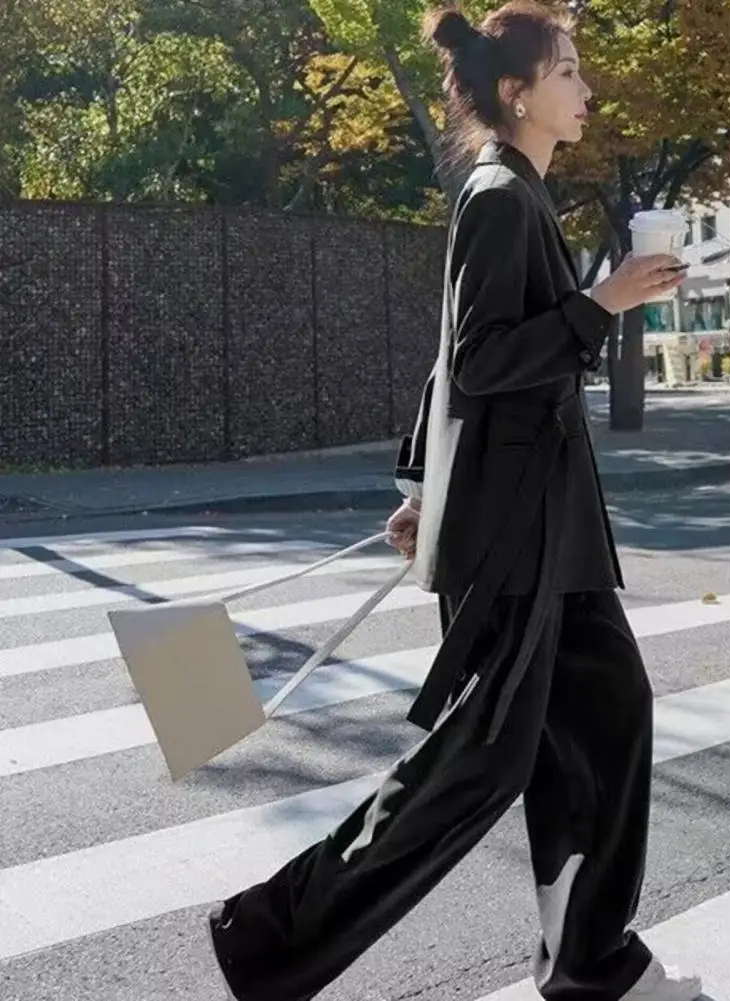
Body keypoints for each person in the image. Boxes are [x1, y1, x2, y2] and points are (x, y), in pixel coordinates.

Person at [206, 3, 701, 1000]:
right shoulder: (497, 198)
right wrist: (601, 304)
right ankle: (265, 933)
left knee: (607, 721)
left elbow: (454, 366)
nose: (585, 90)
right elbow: (475, 362)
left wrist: (428, 486)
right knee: (479, 764)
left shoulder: (519, 195)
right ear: (517, 93)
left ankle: (589, 962)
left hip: (545, 529)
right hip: (520, 539)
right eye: (566, 72)